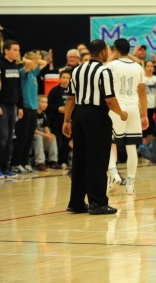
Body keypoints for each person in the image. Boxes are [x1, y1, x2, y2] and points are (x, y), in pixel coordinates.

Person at [63, 39, 128, 215]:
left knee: (80, 159)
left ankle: (76, 202)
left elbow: (70, 98)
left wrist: (66, 121)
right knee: (98, 160)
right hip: (97, 117)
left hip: (79, 116)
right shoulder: (104, 71)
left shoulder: (76, 70)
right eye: (107, 50)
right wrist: (121, 113)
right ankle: (98, 202)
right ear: (102, 53)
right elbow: (109, 99)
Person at [105, 39, 149, 195]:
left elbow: (100, 73)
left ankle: (114, 174)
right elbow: (142, 92)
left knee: (108, 143)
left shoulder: (111, 66)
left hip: (117, 108)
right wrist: (145, 115)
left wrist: (110, 58)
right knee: (132, 148)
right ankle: (130, 184)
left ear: (116, 50)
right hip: (133, 108)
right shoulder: (138, 67)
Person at [11, 51, 47, 173]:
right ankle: (16, 163)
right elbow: (30, 63)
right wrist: (27, 60)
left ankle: (25, 162)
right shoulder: (23, 72)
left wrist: (34, 61)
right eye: (35, 62)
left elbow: (45, 62)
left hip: (33, 108)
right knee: (22, 137)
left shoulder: (34, 71)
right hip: (25, 107)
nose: (37, 65)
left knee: (30, 137)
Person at [0, 40, 24, 179]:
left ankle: (5, 168)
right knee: (2, 139)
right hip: (2, 106)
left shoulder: (15, 66)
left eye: (18, 50)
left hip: (12, 107)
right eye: (15, 50)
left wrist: (20, 105)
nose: (17, 52)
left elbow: (18, 88)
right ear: (6, 50)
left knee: (9, 139)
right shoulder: (1, 64)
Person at [47, 70, 72, 168]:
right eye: (64, 77)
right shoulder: (55, 90)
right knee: (58, 142)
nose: (66, 80)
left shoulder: (73, 90)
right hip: (57, 121)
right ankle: (54, 161)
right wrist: (58, 108)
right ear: (60, 78)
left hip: (69, 120)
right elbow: (48, 105)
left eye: (68, 78)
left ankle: (64, 161)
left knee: (66, 142)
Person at [32, 94, 61, 171]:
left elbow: (45, 127)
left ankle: (53, 161)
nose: (45, 104)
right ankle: (40, 163)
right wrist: (45, 135)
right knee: (38, 137)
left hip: (40, 134)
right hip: (32, 135)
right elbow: (32, 130)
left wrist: (49, 134)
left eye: (46, 102)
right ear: (37, 102)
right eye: (42, 102)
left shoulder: (43, 114)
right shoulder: (33, 113)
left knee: (52, 137)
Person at [141, 60, 156, 154]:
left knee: (152, 128)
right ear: (144, 67)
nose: (149, 68)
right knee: (143, 128)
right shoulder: (142, 78)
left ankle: (147, 147)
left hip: (154, 106)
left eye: (151, 66)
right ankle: (142, 147)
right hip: (145, 107)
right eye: (148, 66)